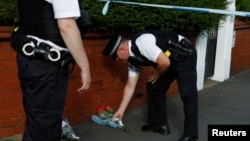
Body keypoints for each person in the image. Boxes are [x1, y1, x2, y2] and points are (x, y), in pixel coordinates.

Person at [13, 0, 91, 140]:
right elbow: (67, 26)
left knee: (36, 122)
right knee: (44, 128)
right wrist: (85, 66)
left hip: (29, 60)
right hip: (47, 66)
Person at [103, 30, 198, 141]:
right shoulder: (133, 60)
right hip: (169, 59)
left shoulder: (142, 43)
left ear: (122, 50)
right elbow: (130, 86)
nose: (117, 60)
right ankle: (159, 125)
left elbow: (164, 62)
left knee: (188, 94)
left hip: (184, 54)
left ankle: (191, 135)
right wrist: (120, 111)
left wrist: (157, 73)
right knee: (154, 86)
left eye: (115, 56)